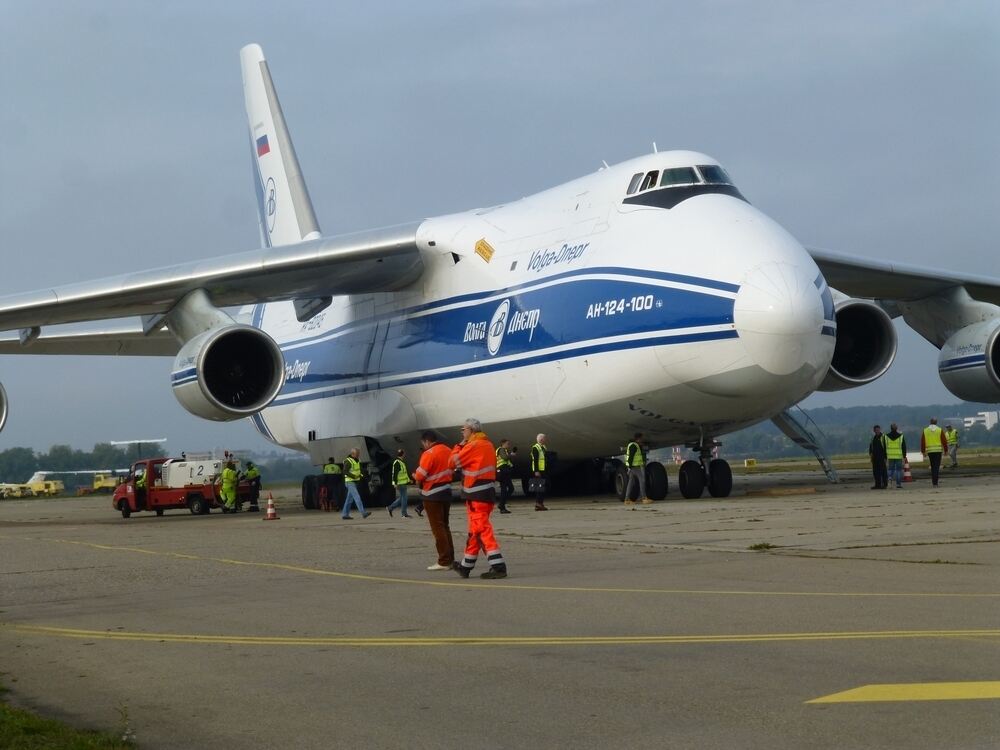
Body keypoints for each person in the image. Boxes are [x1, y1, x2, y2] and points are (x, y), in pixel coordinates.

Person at [451, 418, 507, 579]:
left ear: (471, 430)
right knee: (475, 531)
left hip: (476, 494)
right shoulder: (488, 444)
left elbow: (452, 462)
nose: (462, 432)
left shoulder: (472, 445)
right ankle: (466, 566)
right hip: (485, 493)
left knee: (482, 530)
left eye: (463, 429)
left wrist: (459, 445)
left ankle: (498, 566)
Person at [412, 430, 455, 570]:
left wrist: (414, 475)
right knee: (445, 526)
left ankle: (444, 560)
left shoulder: (429, 454)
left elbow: (420, 475)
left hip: (432, 494)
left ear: (426, 442)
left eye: (423, 444)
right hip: (446, 491)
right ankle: (450, 558)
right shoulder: (448, 450)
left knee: (437, 528)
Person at [341, 448, 371, 519]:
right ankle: (363, 513)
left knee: (349, 500)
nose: (358, 455)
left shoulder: (357, 461)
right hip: (350, 482)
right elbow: (344, 472)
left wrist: (364, 477)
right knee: (357, 497)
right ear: (352, 454)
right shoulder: (348, 461)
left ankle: (345, 514)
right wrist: (354, 476)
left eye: (358, 454)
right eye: (357, 454)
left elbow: (358, 471)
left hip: (354, 482)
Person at [624, 432, 652, 504]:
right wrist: (630, 467)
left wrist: (629, 467)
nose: (642, 440)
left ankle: (627, 499)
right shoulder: (634, 446)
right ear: (638, 439)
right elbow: (631, 457)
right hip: (635, 467)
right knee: (642, 480)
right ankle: (644, 498)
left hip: (632, 467)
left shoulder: (632, 445)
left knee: (631, 482)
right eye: (641, 438)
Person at [920, 417, 949, 487]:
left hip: (930, 451)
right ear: (936, 422)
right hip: (938, 451)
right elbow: (944, 441)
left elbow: (923, 442)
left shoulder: (925, 430)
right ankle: (935, 483)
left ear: (930, 422)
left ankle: (934, 482)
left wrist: (923, 451)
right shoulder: (939, 430)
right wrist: (946, 450)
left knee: (933, 467)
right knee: (936, 467)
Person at [387, 449, 412, 518]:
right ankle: (404, 514)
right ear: (403, 454)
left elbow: (404, 474)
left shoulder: (400, 462)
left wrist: (409, 480)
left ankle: (390, 507)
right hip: (400, 484)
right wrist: (394, 483)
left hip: (403, 483)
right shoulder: (397, 462)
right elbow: (394, 474)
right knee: (404, 498)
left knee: (402, 498)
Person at [495, 439, 516, 514]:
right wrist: (511, 455)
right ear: (503, 444)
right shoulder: (501, 450)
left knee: (505, 489)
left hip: (503, 471)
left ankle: (502, 505)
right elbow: (505, 458)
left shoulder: (502, 450)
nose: (508, 445)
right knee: (509, 488)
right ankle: (501, 505)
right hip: (503, 471)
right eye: (507, 443)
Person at [529, 433, 549, 511]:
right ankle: (538, 504)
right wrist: (536, 471)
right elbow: (535, 460)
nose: (545, 440)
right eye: (544, 438)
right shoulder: (535, 448)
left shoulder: (543, 447)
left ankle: (540, 503)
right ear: (541, 439)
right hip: (539, 471)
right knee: (539, 488)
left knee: (544, 486)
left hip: (543, 470)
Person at [884, 423, 907, 489]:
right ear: (896, 428)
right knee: (898, 470)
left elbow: (885, 447)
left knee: (890, 469)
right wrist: (904, 456)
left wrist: (885, 456)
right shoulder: (901, 436)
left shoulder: (886, 436)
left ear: (890, 428)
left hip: (890, 456)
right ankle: (898, 484)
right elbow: (904, 447)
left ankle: (890, 479)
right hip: (898, 456)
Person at [868, 425, 888, 490]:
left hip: (881, 457)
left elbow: (886, 448)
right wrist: (870, 454)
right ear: (874, 431)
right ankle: (877, 485)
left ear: (880, 430)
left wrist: (885, 457)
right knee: (876, 472)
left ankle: (885, 484)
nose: (877, 431)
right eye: (876, 430)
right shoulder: (873, 438)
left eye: (878, 430)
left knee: (883, 472)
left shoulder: (883, 437)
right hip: (875, 458)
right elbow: (871, 447)